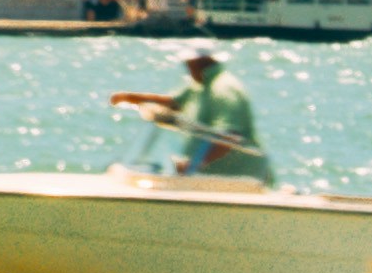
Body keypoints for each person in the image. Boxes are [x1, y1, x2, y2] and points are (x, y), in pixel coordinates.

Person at [109, 45, 273, 185]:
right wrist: (131, 98)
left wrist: (193, 165)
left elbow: (229, 138)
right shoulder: (199, 85)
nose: (187, 69)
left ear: (200, 63)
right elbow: (174, 103)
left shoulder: (224, 89)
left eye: (189, 64)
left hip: (239, 181)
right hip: (209, 180)